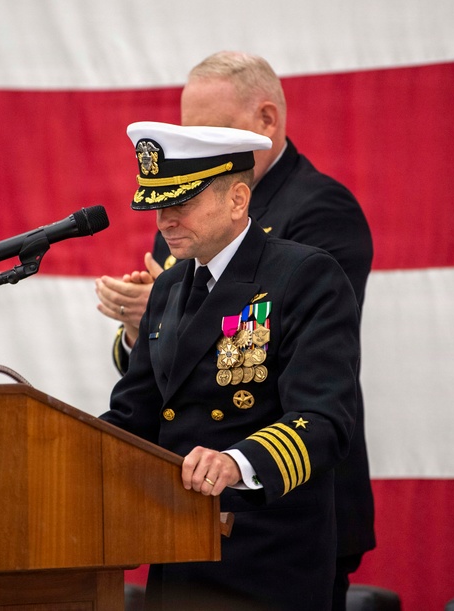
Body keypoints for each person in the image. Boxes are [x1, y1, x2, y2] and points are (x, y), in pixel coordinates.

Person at [95, 51, 375, 608]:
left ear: (238, 199)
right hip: (179, 539)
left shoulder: (307, 265)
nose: (165, 222)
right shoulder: (172, 286)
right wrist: (57, 450)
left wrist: (238, 462)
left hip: (268, 542)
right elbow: (139, 411)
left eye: (181, 203)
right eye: (157, 206)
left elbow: (322, 414)